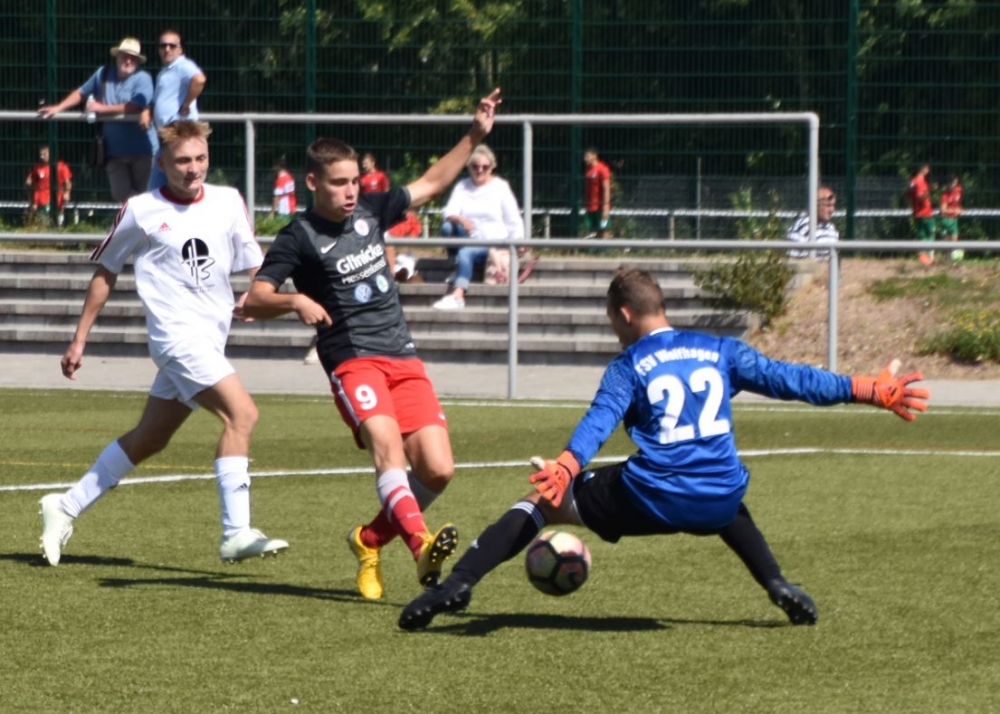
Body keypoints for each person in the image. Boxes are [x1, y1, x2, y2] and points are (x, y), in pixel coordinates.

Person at [399, 267, 930, 630]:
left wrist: (567, 465)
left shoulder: (629, 365)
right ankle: (777, 583)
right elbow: (793, 379)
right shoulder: (721, 350)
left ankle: (458, 583)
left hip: (652, 497)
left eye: (612, 321)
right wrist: (866, 389)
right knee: (722, 493)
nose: (614, 331)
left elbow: (599, 420)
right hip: (716, 498)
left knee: (542, 503)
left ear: (625, 315)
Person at [243, 88, 503, 600]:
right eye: (338, 183)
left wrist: (475, 134)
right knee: (388, 448)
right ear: (312, 182)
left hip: (402, 355)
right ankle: (420, 545)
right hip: (352, 360)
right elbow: (255, 296)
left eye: (354, 182)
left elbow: (431, 183)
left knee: (439, 470)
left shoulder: (370, 211)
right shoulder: (298, 236)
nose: (349, 191)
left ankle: (368, 540)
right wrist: (295, 302)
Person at [38, 120, 288, 567]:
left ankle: (66, 505)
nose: (193, 169)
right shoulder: (141, 210)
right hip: (175, 338)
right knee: (242, 414)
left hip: (211, 339)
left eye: (200, 158)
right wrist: (79, 339)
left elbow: (256, 265)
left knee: (151, 437)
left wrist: (259, 292)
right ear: (161, 162)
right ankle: (236, 533)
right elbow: (106, 271)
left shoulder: (229, 201)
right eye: (182, 161)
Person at [38, 38, 158, 203]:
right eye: (125, 56)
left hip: (143, 151)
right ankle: (138, 209)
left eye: (133, 58)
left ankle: (144, 215)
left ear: (137, 61)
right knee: (120, 194)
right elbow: (81, 92)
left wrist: (102, 109)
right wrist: (59, 107)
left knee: (146, 194)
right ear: (117, 57)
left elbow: (136, 105)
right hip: (114, 151)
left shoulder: (143, 77)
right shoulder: (103, 73)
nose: (128, 60)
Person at [432, 144, 524, 310]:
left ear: (492, 167)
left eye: (485, 167)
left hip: (493, 242)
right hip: (469, 236)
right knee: (448, 227)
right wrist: (461, 219)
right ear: (469, 167)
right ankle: (457, 265)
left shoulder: (500, 187)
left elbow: (513, 220)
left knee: (465, 252)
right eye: (475, 166)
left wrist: (518, 242)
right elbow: (449, 211)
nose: (480, 170)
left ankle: (458, 295)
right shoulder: (462, 186)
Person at [140, 30, 207, 190]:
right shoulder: (166, 71)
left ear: (180, 49)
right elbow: (161, 98)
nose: (167, 49)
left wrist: (186, 104)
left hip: (180, 134)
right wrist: (149, 110)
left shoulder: (183, 66)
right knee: (166, 186)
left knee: (167, 186)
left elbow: (199, 80)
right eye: (163, 45)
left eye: (172, 45)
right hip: (167, 136)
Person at [785, 186, 840, 258]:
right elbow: (794, 258)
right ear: (816, 205)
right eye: (828, 206)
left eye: (833, 206)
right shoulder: (803, 226)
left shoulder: (830, 227)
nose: (832, 210)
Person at [25, 145, 72, 225]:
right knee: (42, 224)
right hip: (39, 201)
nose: (42, 157)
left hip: (55, 200)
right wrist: (32, 200)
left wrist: (67, 193)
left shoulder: (61, 167)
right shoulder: (37, 168)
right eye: (41, 155)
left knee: (53, 223)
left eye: (44, 154)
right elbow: (30, 181)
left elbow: (67, 182)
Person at [908, 164, 936, 266]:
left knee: (922, 236)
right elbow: (920, 198)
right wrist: (930, 190)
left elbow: (908, 195)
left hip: (917, 213)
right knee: (930, 234)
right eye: (927, 168)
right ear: (922, 169)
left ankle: (924, 259)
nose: (928, 170)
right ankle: (930, 259)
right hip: (925, 212)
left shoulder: (912, 181)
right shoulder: (920, 181)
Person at [582, 147, 612, 238]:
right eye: (585, 157)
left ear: (595, 156)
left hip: (601, 207)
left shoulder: (602, 169)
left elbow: (606, 189)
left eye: (587, 156)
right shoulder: (588, 170)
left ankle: (606, 247)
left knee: (604, 230)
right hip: (590, 207)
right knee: (588, 230)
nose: (585, 159)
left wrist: (605, 207)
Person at [939, 176, 963, 262]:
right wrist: (955, 211)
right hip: (946, 220)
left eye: (955, 183)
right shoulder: (944, 195)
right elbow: (943, 210)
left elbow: (957, 202)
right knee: (947, 241)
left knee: (954, 240)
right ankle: (945, 259)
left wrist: (960, 208)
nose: (954, 185)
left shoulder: (958, 190)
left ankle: (952, 260)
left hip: (954, 219)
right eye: (952, 183)